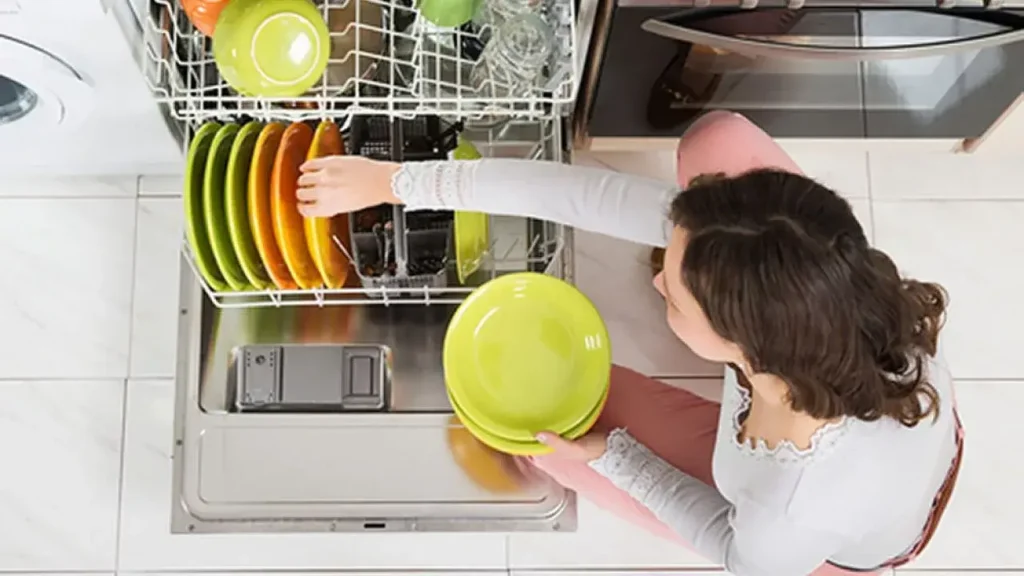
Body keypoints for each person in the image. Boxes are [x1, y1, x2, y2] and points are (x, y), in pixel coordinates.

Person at [296, 111, 963, 576]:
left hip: (832, 554)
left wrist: (615, 459)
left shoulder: (787, 505)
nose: (660, 285)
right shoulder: (830, 288)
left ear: (743, 340)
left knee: (540, 425)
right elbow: (591, 196)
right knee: (717, 141)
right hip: (853, 426)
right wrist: (396, 182)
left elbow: (728, 545)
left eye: (672, 294)